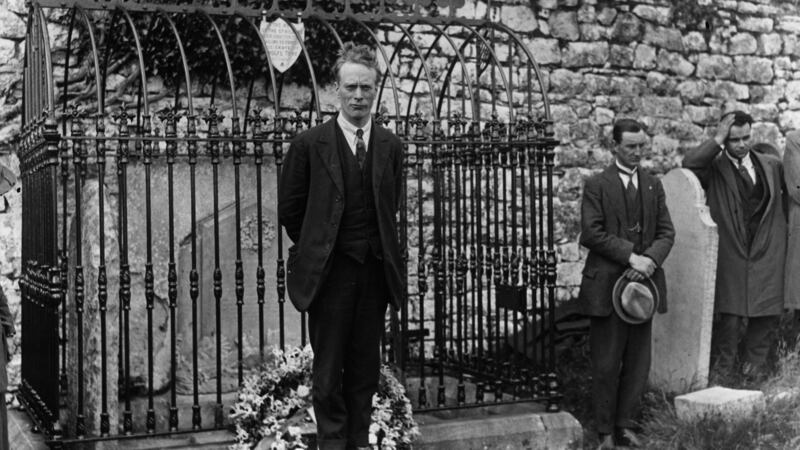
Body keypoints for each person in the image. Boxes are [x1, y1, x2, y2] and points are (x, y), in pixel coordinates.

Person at [278, 43, 404, 450]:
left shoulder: (390, 146)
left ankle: (358, 444)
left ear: (376, 89)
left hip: (373, 275)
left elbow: (390, 206)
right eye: (350, 87)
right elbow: (291, 210)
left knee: (365, 370)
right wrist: (322, 247)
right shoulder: (309, 145)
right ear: (335, 89)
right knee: (329, 372)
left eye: (366, 88)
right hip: (330, 277)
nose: (358, 96)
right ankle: (332, 444)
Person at [578, 119, 674, 449]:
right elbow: (591, 233)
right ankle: (604, 432)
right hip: (606, 288)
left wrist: (648, 261)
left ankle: (626, 429)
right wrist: (631, 257)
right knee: (606, 364)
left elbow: (666, 233)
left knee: (637, 364)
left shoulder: (652, 184)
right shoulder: (596, 185)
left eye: (641, 146)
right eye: (630, 146)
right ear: (614, 147)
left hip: (642, 290)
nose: (637, 153)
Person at [683, 111, 787, 381]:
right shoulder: (715, 169)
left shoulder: (771, 165)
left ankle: (753, 376)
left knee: (764, 318)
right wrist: (717, 138)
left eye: (746, 138)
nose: (741, 145)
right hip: (733, 253)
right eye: (733, 140)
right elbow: (689, 163)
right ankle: (722, 378)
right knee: (729, 319)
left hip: (766, 252)